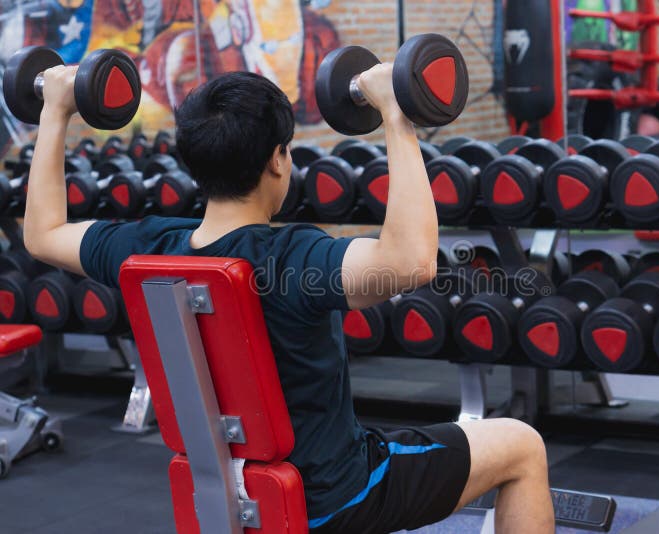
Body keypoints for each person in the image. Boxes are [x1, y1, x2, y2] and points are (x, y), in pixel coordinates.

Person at [23, 62, 555, 533]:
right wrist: (397, 113)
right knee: (520, 445)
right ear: (279, 162)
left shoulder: (147, 246)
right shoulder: (292, 257)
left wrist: (55, 110)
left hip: (226, 496)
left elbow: (42, 233)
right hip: (336, 497)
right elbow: (412, 261)